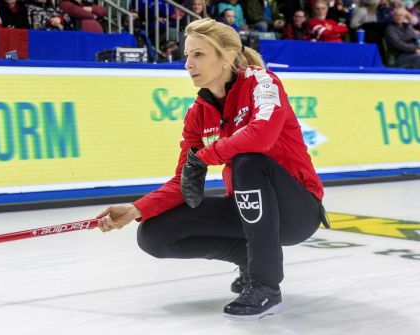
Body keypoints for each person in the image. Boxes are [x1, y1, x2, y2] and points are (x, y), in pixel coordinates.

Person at [95, 18, 328, 320]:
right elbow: (184, 179)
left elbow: (261, 135)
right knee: (154, 233)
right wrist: (137, 208)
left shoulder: (263, 82)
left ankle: (265, 286)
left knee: (248, 161)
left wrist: (208, 154)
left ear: (228, 56)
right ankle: (250, 259)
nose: (188, 64)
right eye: (187, 55)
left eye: (199, 54)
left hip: (296, 212)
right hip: (250, 209)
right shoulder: (197, 113)